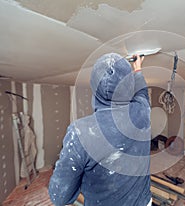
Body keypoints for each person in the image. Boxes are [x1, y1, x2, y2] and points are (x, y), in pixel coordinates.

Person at [48, 53, 152, 206]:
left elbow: (60, 196)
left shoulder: (80, 132)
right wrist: (137, 71)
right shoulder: (142, 112)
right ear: (128, 85)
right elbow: (142, 94)